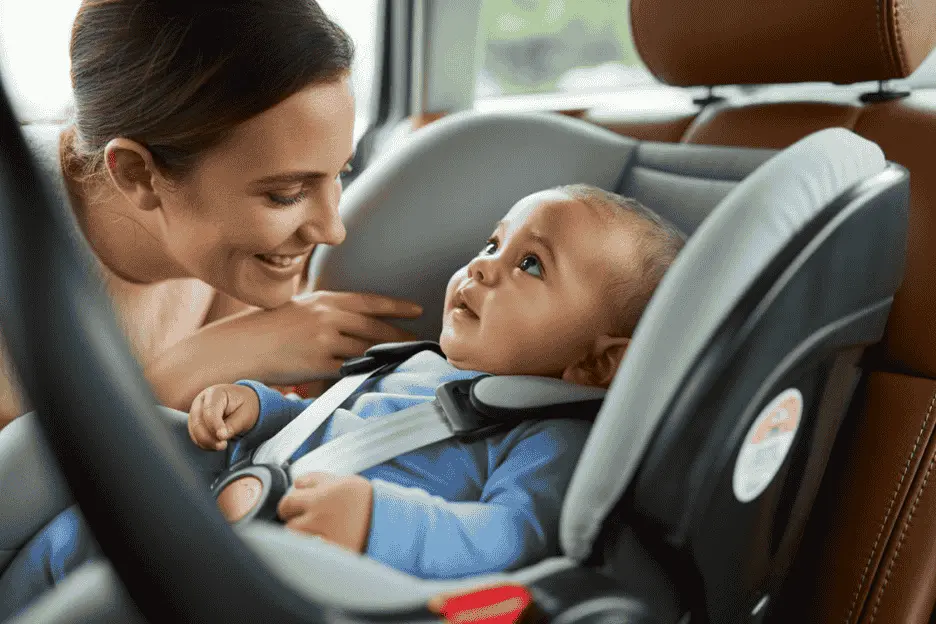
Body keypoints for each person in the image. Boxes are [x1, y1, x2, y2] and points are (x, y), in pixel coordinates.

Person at [0, 184, 686, 614]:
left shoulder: (549, 438)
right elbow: (324, 427)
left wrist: (377, 521)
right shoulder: (415, 366)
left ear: (596, 362)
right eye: (493, 242)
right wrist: (256, 407)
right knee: (62, 509)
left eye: (529, 264)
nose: (483, 264)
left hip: (318, 581)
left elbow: (513, 539)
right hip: (236, 498)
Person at [0, 0, 423, 430]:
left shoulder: (228, 257)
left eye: (340, 173)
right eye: (286, 194)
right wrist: (182, 372)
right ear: (138, 175)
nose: (332, 230)